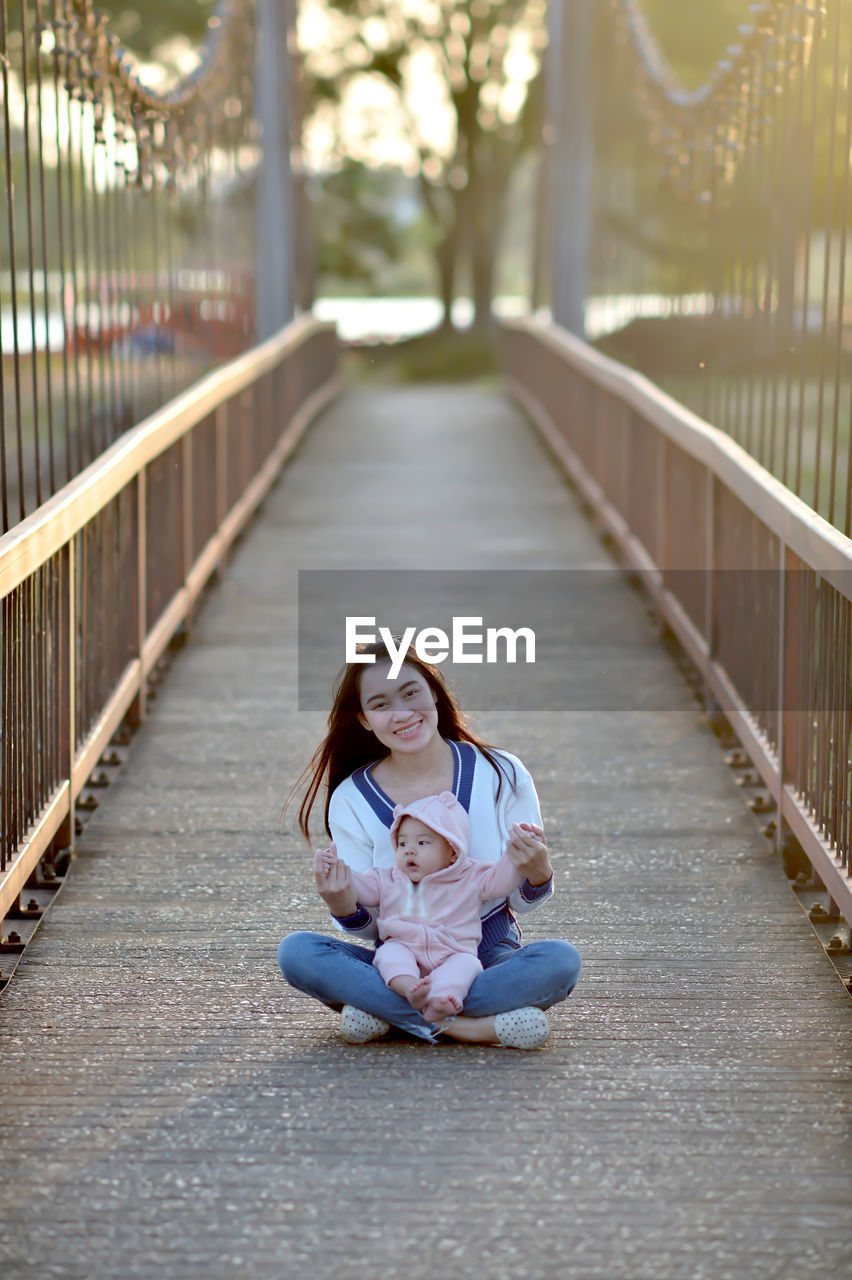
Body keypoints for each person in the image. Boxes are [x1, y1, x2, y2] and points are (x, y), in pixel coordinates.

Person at [277, 638, 582, 1047]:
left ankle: (391, 1016)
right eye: (381, 704)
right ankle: (466, 1026)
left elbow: (522, 901)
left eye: (411, 693)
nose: (402, 714)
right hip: (397, 963)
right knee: (298, 953)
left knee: (560, 962)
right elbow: (368, 931)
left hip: (483, 954)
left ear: (435, 694)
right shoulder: (352, 797)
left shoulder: (502, 772)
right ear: (364, 719)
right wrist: (341, 904)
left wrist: (538, 871)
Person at [315, 791, 547, 1040]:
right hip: (405, 947)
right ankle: (411, 991)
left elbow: (500, 881)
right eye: (402, 843)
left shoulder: (471, 876)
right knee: (389, 954)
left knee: (467, 965)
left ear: (452, 850)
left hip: (453, 951)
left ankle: (430, 1004)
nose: (409, 851)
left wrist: (516, 854)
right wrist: (338, 871)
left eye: (422, 843)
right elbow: (361, 887)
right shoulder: (388, 878)